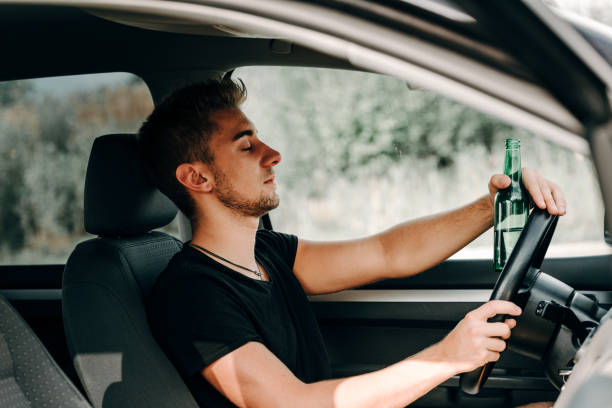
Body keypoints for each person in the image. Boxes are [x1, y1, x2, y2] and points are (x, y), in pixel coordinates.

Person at [140, 79, 563, 408]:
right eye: (247, 146)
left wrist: (490, 207)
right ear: (197, 178)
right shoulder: (191, 295)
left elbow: (388, 253)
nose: (273, 155)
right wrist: (446, 358)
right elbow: (291, 404)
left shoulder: (267, 253)